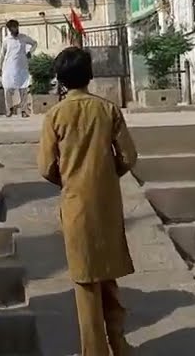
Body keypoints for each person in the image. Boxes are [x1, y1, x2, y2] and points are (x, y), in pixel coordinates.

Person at [36, 47, 138, 356]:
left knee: (86, 282)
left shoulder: (55, 115)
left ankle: (94, 351)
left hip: (75, 203)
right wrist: (106, 175)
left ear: (61, 80)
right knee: (107, 274)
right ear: (89, 75)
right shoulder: (107, 110)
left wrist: (68, 180)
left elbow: (45, 167)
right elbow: (129, 157)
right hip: (106, 202)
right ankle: (119, 343)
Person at [0, 19, 37, 118]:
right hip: (9, 68)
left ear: (17, 27)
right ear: (9, 29)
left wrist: (30, 52)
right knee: (7, 88)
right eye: (11, 28)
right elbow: (2, 55)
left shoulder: (23, 38)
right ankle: (9, 109)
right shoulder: (6, 40)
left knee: (23, 88)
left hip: (22, 67)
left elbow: (34, 43)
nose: (14, 29)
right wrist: (0, 67)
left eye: (15, 27)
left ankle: (24, 111)